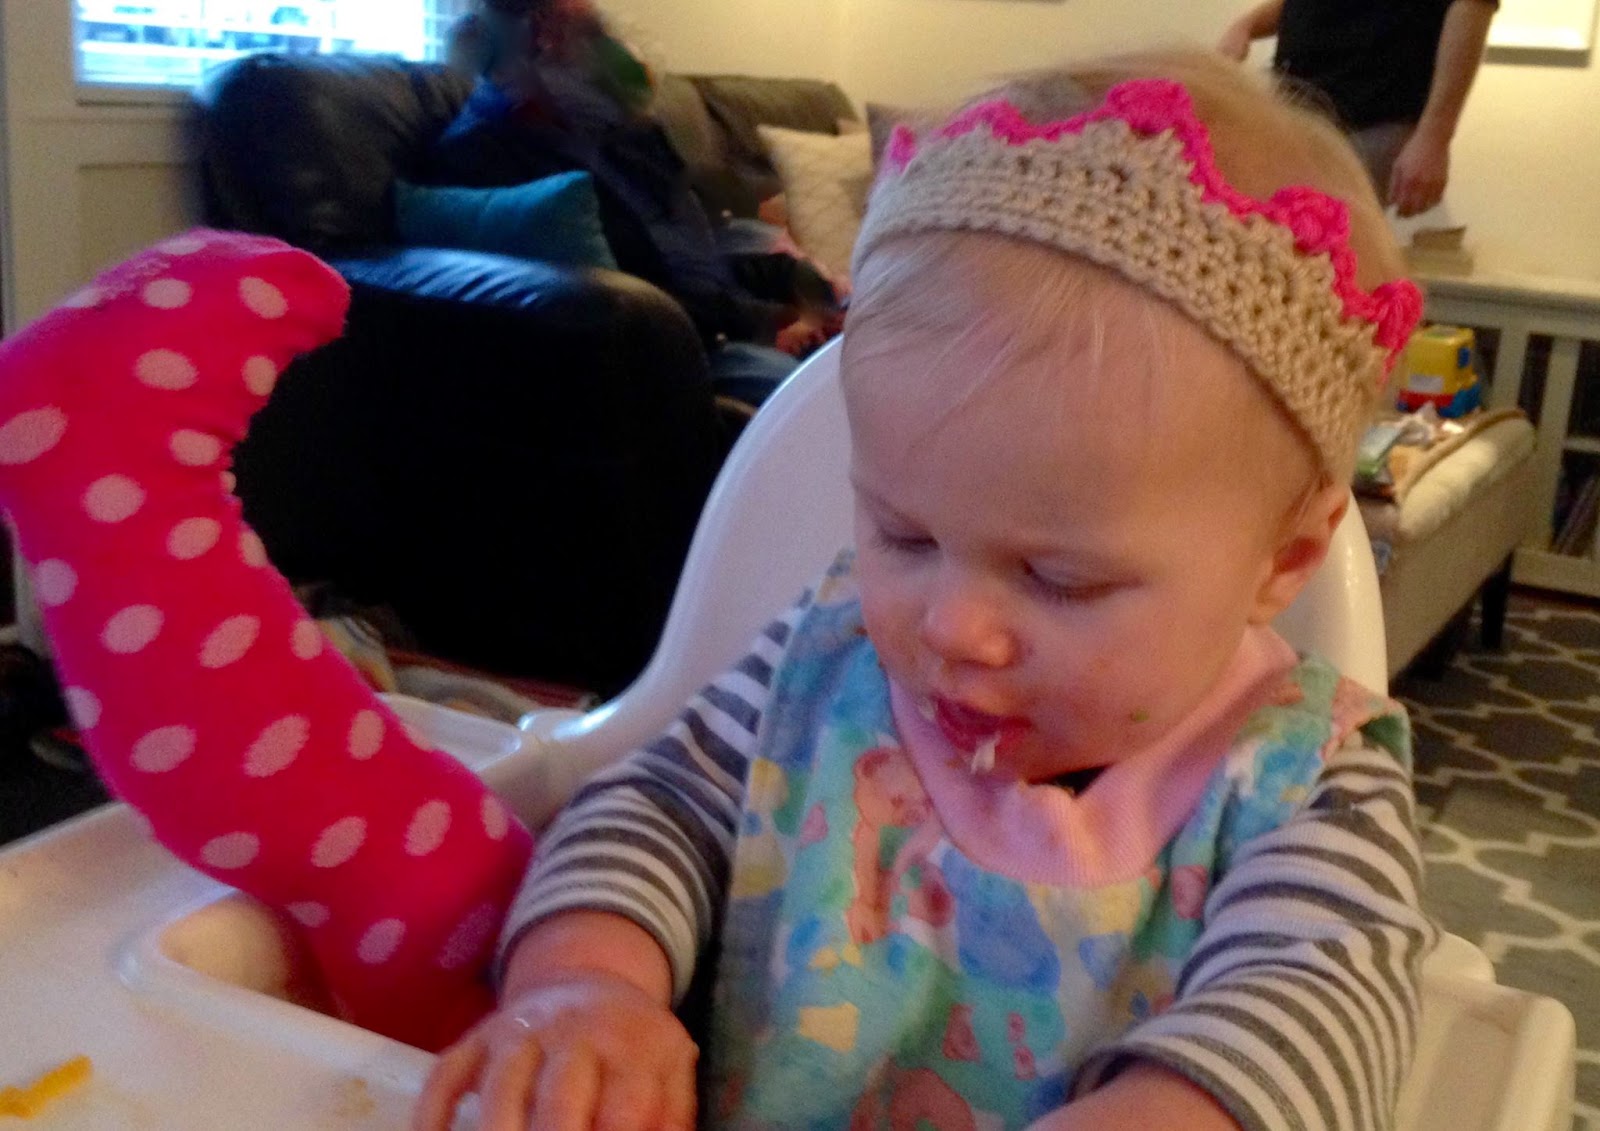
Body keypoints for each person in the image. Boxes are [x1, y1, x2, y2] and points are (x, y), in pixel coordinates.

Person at [0, 50, 1429, 1131]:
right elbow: (650, 810)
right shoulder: (827, 664)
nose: (951, 624)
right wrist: (589, 981)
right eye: (903, 532)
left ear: (1283, 561)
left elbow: (1316, 1009)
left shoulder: (1308, 781)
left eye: (1059, 577)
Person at [430, 0, 840, 407]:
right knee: (832, 405)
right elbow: (622, 299)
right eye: (593, 36)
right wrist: (767, 323)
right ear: (540, 39)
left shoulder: (621, 135)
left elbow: (698, 254)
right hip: (687, 357)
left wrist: (805, 287)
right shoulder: (485, 157)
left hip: (729, 326)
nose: (617, 56)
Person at [1218, 0, 1497, 217]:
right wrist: (1247, 25)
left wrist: (1434, 138)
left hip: (1368, 124)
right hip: (1299, 120)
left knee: (1323, 255)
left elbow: (1472, 5)